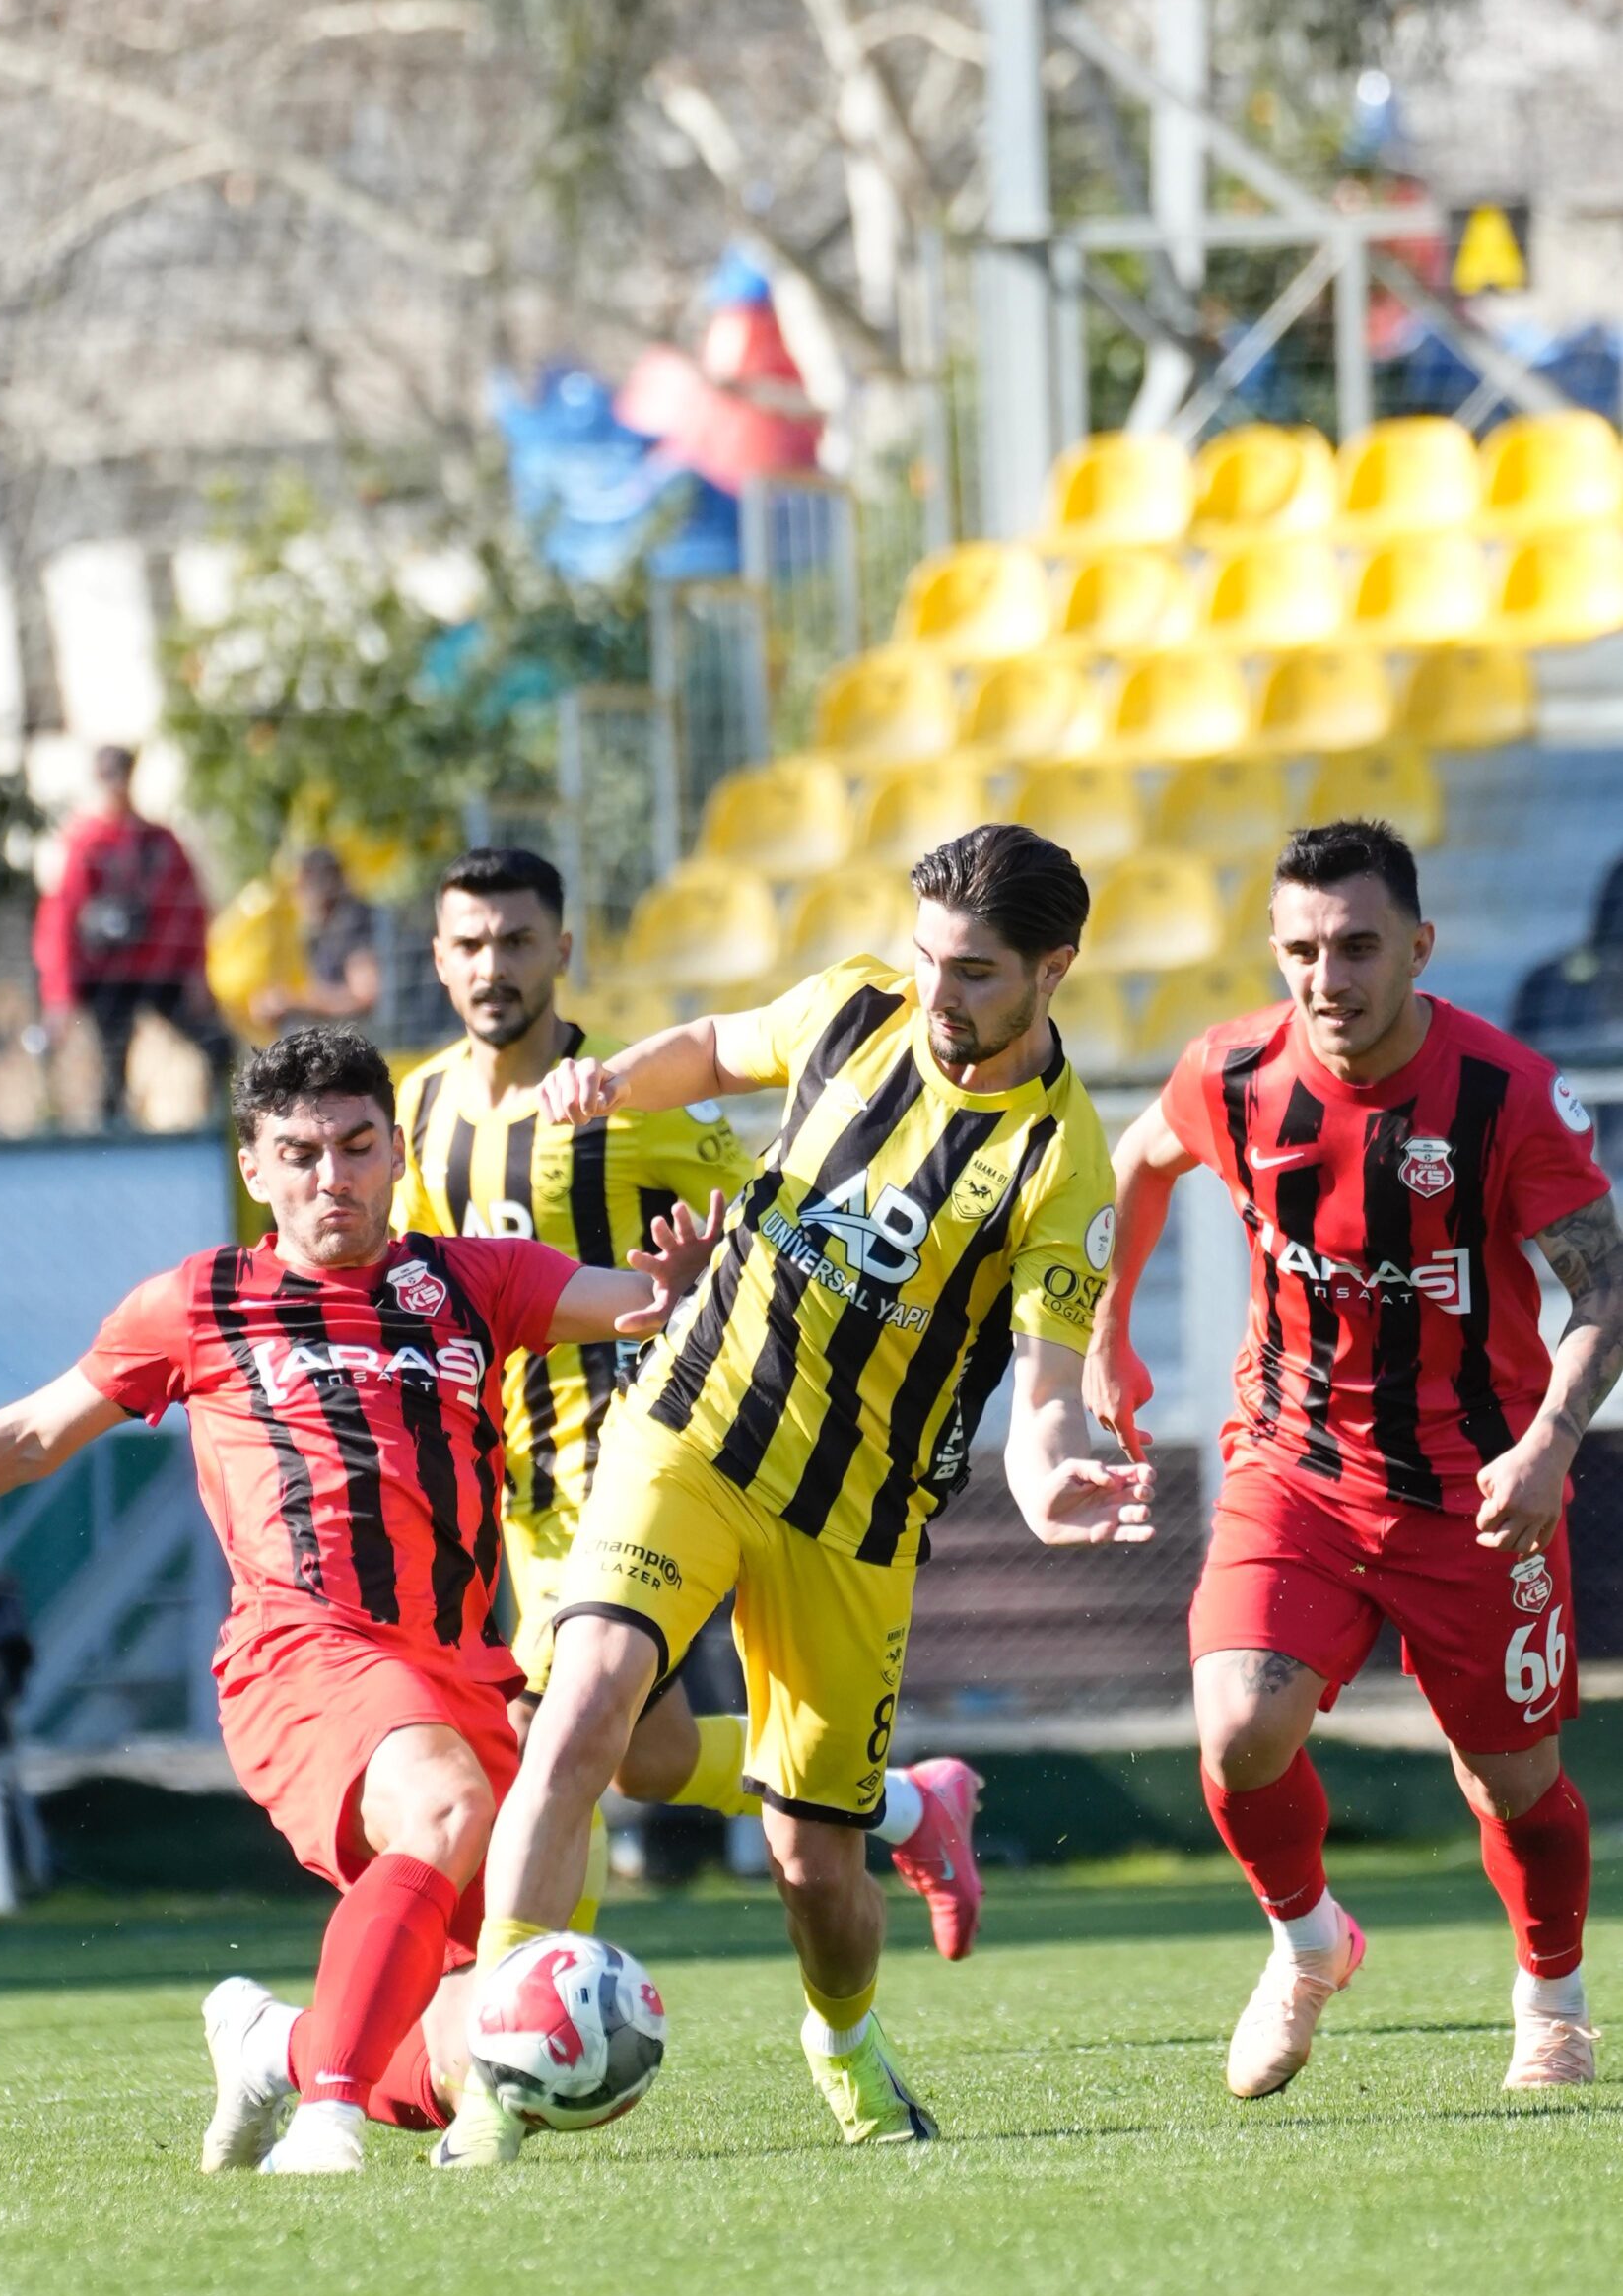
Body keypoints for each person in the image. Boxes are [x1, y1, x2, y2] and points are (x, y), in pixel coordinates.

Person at [433, 821, 1155, 2169]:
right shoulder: (855, 1005)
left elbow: (1046, 1380)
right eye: (930, 957)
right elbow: (718, 1047)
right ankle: (495, 2080)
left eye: (976, 973)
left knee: (813, 1866)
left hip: (853, 1524)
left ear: (1052, 969)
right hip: (690, 1431)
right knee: (578, 1713)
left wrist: (1049, 1463)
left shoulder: (1062, 1163)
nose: (939, 992)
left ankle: (845, 2044)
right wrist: (611, 1082)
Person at [0, 1024, 718, 2175]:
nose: (331, 1177)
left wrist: (682, 1284)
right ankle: (325, 2122)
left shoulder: (475, 1278)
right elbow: (29, 1435)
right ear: (254, 1168)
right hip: (301, 1654)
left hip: (463, 1672)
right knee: (444, 1807)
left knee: (475, 2050)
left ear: (396, 1152)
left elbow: (640, 1304)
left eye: (357, 1147)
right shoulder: (201, 1300)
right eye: (300, 1154)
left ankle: (276, 2048)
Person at [1085, 819, 1623, 2099]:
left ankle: (1551, 2004)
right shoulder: (1230, 1074)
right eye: (1301, 950)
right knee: (1236, 1731)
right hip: (1292, 1466)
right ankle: (1307, 1944)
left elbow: (1605, 1288)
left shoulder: (1502, 1096)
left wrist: (1549, 1443)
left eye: (1357, 947)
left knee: (1510, 1783)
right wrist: (1105, 1334)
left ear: (1419, 948)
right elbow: (1138, 1163)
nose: (1326, 978)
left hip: (1474, 1491)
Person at [389, 844, 989, 1953]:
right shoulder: (418, 1107)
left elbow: (771, 1220)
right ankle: (908, 1806)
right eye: (469, 943)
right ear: (436, 957)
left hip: (622, 1459)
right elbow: (421, 1286)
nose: (492, 966)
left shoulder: (628, 1101)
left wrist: (703, 1271)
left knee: (546, 1732)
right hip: (512, 1482)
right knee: (646, 1758)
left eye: (517, 941)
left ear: (561, 951)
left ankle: (525, 2001)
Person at [34, 744, 232, 1123]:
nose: (116, 784)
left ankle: (222, 1127)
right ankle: (111, 1143)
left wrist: (197, 973)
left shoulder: (161, 842)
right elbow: (58, 920)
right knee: (110, 1071)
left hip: (161, 971)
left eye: (121, 774)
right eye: (108, 775)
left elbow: (191, 909)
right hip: (106, 976)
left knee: (216, 1044)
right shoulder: (83, 844)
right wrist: (58, 993)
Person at [249, 846, 381, 1034]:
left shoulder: (352, 923)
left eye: (299, 888)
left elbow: (364, 998)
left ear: (319, 885)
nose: (295, 898)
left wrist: (293, 1002)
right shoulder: (322, 931)